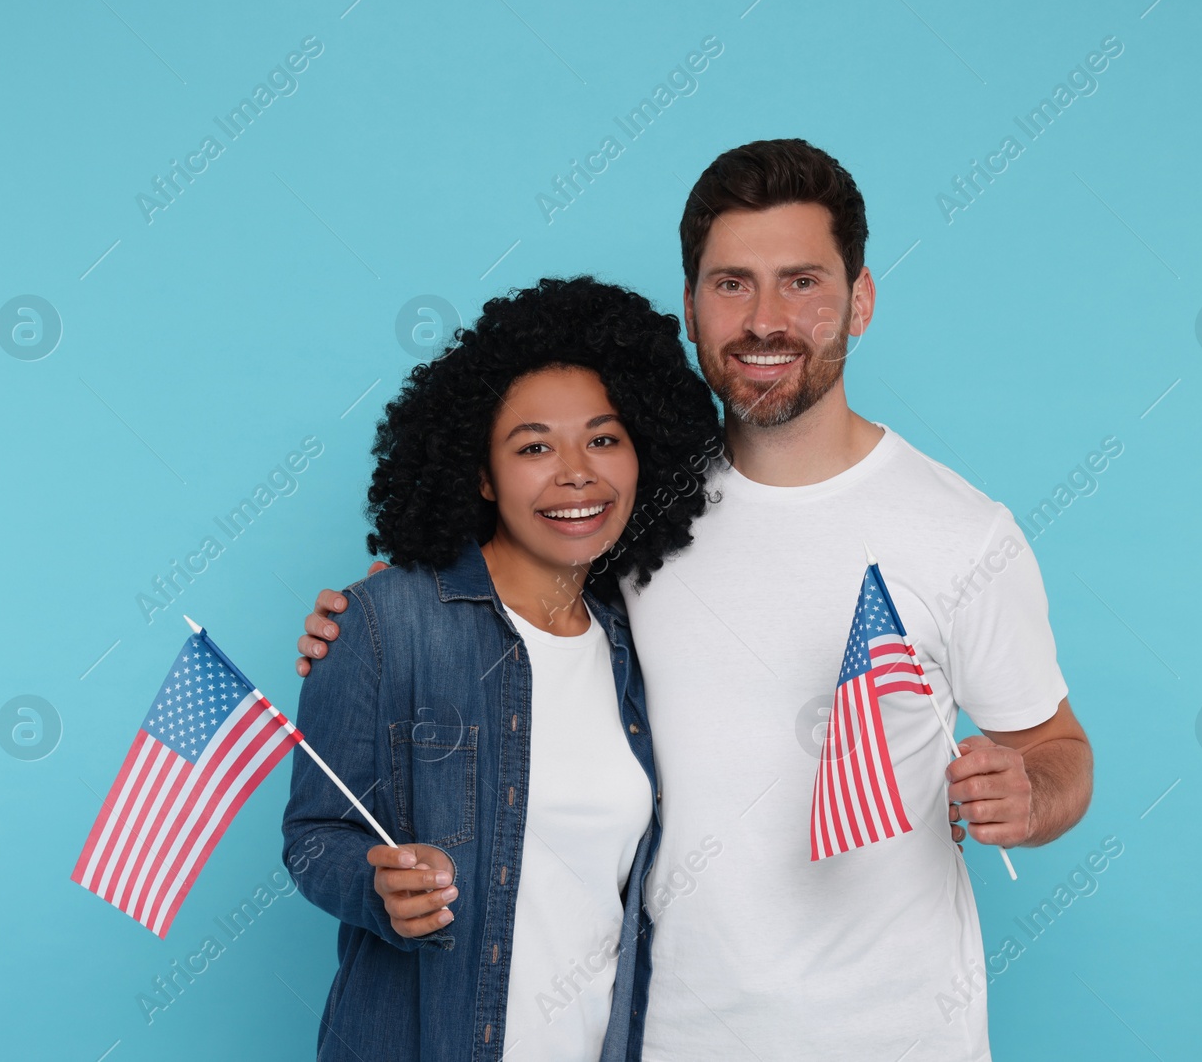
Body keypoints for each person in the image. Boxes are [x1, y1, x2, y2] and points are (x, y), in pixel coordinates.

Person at [296, 140, 1094, 1061]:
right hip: (664, 1035)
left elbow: (1058, 747)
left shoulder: (964, 533)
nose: (765, 320)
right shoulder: (633, 516)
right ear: (689, 307)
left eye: (802, 282)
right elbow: (507, 602)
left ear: (861, 301)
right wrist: (369, 619)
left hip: (899, 1034)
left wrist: (1033, 792)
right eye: (731, 284)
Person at [282, 275, 723, 1061]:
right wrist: (377, 888)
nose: (575, 471)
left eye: (604, 437)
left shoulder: (637, 644)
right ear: (481, 473)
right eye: (533, 446)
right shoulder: (386, 621)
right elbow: (314, 834)